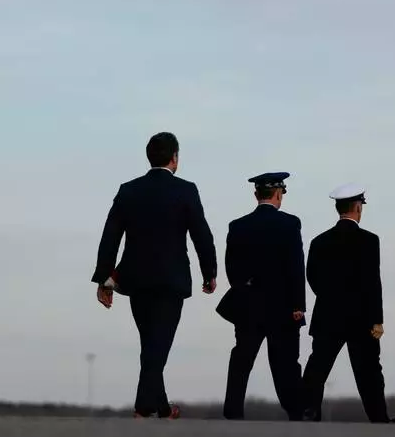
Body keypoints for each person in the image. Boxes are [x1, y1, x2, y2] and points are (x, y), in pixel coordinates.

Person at [91, 132, 217, 419]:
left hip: (136, 280)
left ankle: (161, 407)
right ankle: (143, 407)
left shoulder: (128, 190)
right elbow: (201, 235)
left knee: (151, 343)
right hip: (171, 281)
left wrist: (104, 279)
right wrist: (209, 272)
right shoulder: (186, 190)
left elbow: (110, 237)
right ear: (174, 158)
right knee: (157, 344)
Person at [300, 184, 395, 423]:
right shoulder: (369, 241)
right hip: (361, 318)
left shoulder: (319, 241)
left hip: (328, 315)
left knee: (317, 368)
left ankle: (309, 412)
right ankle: (378, 418)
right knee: (369, 373)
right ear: (357, 207)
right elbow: (373, 283)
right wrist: (377, 319)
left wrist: (330, 298)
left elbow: (311, 277)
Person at [218, 172, 306, 421]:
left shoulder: (237, 226)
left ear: (256, 194)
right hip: (282, 306)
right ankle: (295, 411)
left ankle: (233, 409)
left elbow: (231, 267)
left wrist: (244, 289)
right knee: (285, 363)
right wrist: (299, 304)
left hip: (248, 305)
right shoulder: (290, 224)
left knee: (242, 359)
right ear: (278, 194)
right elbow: (295, 266)